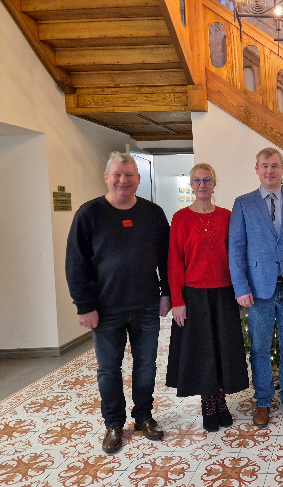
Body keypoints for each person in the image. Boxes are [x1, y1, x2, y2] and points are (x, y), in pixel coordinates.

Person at [65, 152, 171, 454]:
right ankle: (113, 424)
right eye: (117, 175)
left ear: (138, 179)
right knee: (109, 369)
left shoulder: (153, 213)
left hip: (146, 305)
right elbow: (75, 263)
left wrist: (167, 293)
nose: (123, 180)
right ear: (107, 177)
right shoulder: (89, 214)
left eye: (129, 175)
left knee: (146, 366)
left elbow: (166, 258)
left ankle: (143, 416)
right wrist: (84, 305)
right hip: (105, 308)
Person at [228, 147, 283, 427]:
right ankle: (263, 400)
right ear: (257, 169)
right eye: (265, 166)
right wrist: (241, 287)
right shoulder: (243, 203)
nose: (270, 170)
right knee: (259, 349)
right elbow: (236, 248)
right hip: (258, 290)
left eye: (275, 165)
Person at [166, 163, 249, 432]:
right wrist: (177, 300)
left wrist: (240, 291)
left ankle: (220, 399)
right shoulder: (180, 218)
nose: (202, 185)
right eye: (197, 180)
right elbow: (174, 262)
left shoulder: (227, 216)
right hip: (193, 295)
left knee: (223, 347)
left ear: (214, 184)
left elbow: (237, 255)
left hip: (224, 293)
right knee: (202, 350)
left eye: (207, 180)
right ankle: (208, 402)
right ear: (191, 185)